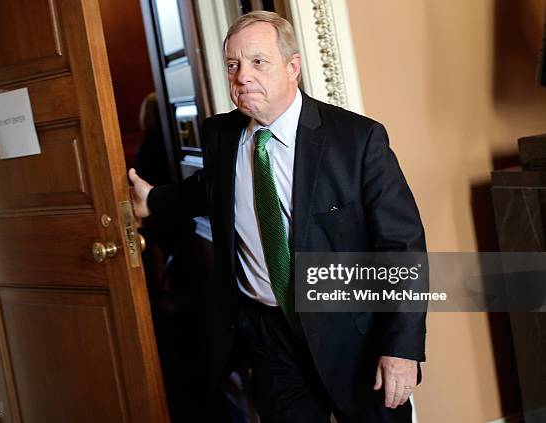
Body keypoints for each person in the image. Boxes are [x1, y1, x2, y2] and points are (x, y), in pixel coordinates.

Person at [129, 11, 426, 423]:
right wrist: (154, 201)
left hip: (353, 336)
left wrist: (402, 348)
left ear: (293, 66)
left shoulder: (357, 140)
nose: (242, 76)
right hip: (268, 337)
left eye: (258, 61)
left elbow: (403, 250)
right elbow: (207, 191)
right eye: (233, 65)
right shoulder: (222, 136)